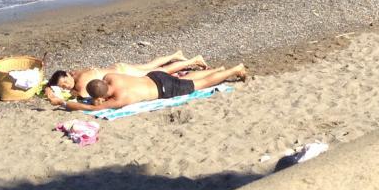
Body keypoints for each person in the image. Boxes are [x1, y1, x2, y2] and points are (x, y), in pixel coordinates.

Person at [51, 64, 249, 111]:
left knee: (202, 84)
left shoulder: (121, 98)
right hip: (155, 76)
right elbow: (99, 86)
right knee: (188, 78)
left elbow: (92, 108)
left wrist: (64, 102)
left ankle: (234, 70)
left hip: (165, 88)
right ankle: (218, 69)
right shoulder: (111, 77)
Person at [46, 49, 209, 100]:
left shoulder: (80, 82)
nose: (66, 86)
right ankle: (175, 54)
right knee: (151, 65)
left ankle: (193, 60)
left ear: (68, 74)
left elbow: (82, 94)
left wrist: (59, 94)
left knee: (163, 71)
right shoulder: (78, 72)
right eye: (63, 86)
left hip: (123, 74)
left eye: (65, 82)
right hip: (119, 69)